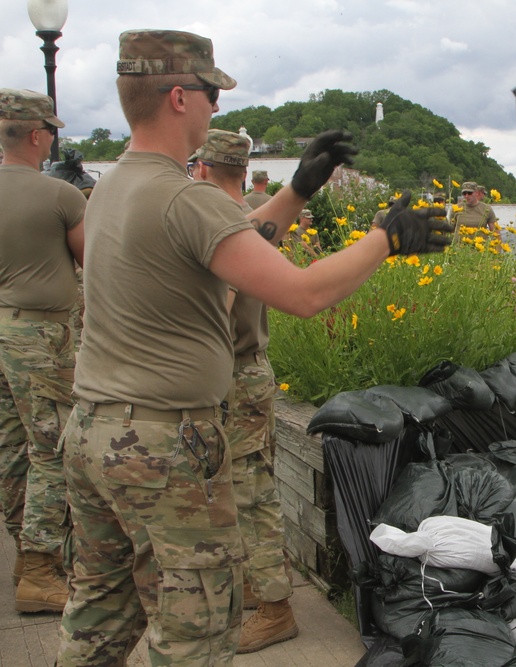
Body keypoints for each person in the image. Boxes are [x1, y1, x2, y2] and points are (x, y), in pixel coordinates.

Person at [58, 29, 452, 666]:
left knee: (101, 613)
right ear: (179, 97)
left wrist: (299, 189)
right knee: (198, 631)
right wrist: (386, 238)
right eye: (211, 92)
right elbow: (299, 293)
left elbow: (238, 237)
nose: (217, 107)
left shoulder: (113, 188)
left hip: (92, 433)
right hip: (163, 446)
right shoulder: (186, 197)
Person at [190, 128, 300, 653]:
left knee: (251, 491)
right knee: (244, 485)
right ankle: (258, 588)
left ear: (204, 168)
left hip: (232, 372)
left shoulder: (224, 223)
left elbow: (223, 304)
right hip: (245, 369)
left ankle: (275, 606)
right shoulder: (251, 219)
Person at [0, 88, 86, 614]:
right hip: (40, 337)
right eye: (50, 130)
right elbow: (94, 264)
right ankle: (39, 570)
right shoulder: (60, 196)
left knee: (11, 450)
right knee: (52, 451)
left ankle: (23, 555)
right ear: (37, 135)